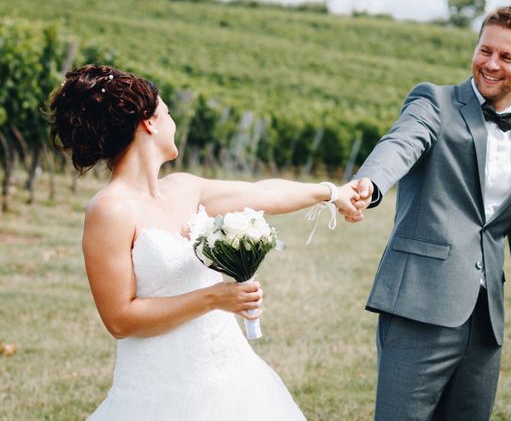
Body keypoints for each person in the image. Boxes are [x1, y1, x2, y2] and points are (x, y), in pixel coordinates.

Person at [48, 64, 362, 420]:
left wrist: (332, 193)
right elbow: (120, 319)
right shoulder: (109, 210)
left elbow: (264, 192)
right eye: (167, 113)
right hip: (160, 387)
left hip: (231, 372)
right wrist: (215, 298)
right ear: (149, 123)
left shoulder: (184, 187)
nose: (173, 122)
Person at [348, 6, 511, 420]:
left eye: (507, 57)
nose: (491, 64)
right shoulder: (434, 101)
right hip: (420, 307)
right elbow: (400, 144)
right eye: (485, 50)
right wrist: (370, 183)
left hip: (485, 327)